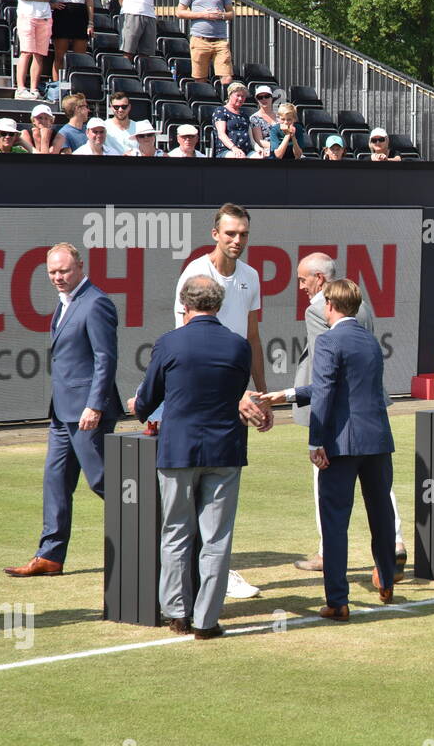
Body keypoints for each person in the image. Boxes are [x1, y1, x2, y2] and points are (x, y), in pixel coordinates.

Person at [129, 275, 269, 639]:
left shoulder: (169, 343)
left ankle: (177, 613)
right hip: (225, 450)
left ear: (183, 306)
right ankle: (206, 620)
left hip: (179, 451)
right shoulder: (238, 346)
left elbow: (147, 401)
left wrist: (137, 405)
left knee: (175, 532)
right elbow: (235, 392)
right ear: (219, 306)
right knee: (216, 538)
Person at [265, 279, 399, 614]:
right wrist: (288, 394)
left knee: (335, 523)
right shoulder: (369, 341)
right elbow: (341, 387)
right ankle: (385, 577)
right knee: (381, 514)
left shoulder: (327, 341)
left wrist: (316, 441)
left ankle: (337, 602)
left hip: (340, 446)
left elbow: (326, 392)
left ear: (330, 305)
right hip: (378, 442)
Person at [5, 243, 120, 578]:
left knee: (103, 481)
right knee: (55, 481)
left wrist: (94, 405)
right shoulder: (65, 303)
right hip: (62, 412)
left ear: (80, 267)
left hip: (87, 413)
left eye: (64, 271)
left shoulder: (96, 302)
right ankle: (50, 555)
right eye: (53, 272)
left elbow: (105, 359)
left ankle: (156, 531)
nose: (58, 277)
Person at [172, 203, 268, 600]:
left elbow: (252, 338)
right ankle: (194, 582)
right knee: (189, 502)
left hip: (237, 403)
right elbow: (186, 345)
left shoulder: (250, 276)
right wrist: (236, 394)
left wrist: (260, 394)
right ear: (215, 234)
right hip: (200, 401)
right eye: (230, 233)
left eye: (243, 234)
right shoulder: (193, 275)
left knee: (220, 499)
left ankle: (218, 571)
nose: (237, 241)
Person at [176, 0, 234, 87]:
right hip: (199, 40)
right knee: (200, 80)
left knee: (227, 79)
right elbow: (179, 12)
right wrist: (203, 15)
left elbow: (231, 13)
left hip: (220, 40)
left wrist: (222, 16)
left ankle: (224, 105)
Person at [11, 0, 55, 102]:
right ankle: (21, 87)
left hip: (44, 15)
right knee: (26, 52)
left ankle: (34, 88)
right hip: (26, 15)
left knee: (39, 54)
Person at [212, 82, 254, 158]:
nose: (240, 98)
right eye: (238, 95)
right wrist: (234, 148)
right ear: (230, 95)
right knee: (237, 157)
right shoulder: (221, 111)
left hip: (247, 151)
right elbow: (221, 134)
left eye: (243, 96)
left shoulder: (244, 115)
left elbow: (251, 137)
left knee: (260, 158)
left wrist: (259, 149)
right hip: (227, 150)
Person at [247, 86, 278, 158]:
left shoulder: (280, 116)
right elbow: (259, 141)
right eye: (260, 97)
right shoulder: (255, 118)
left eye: (266, 96)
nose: (263, 99)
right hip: (268, 150)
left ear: (271, 98)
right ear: (257, 100)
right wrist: (278, 146)